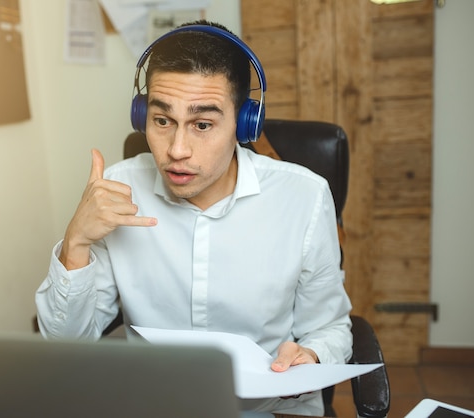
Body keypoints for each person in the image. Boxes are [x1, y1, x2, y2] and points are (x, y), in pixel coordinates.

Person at [36, 20, 352, 416]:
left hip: (266, 409)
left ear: (243, 123)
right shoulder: (115, 190)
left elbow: (331, 327)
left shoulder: (305, 197)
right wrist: (75, 243)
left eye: (202, 124)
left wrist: (313, 355)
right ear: (142, 116)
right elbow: (65, 345)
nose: (177, 149)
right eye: (162, 120)